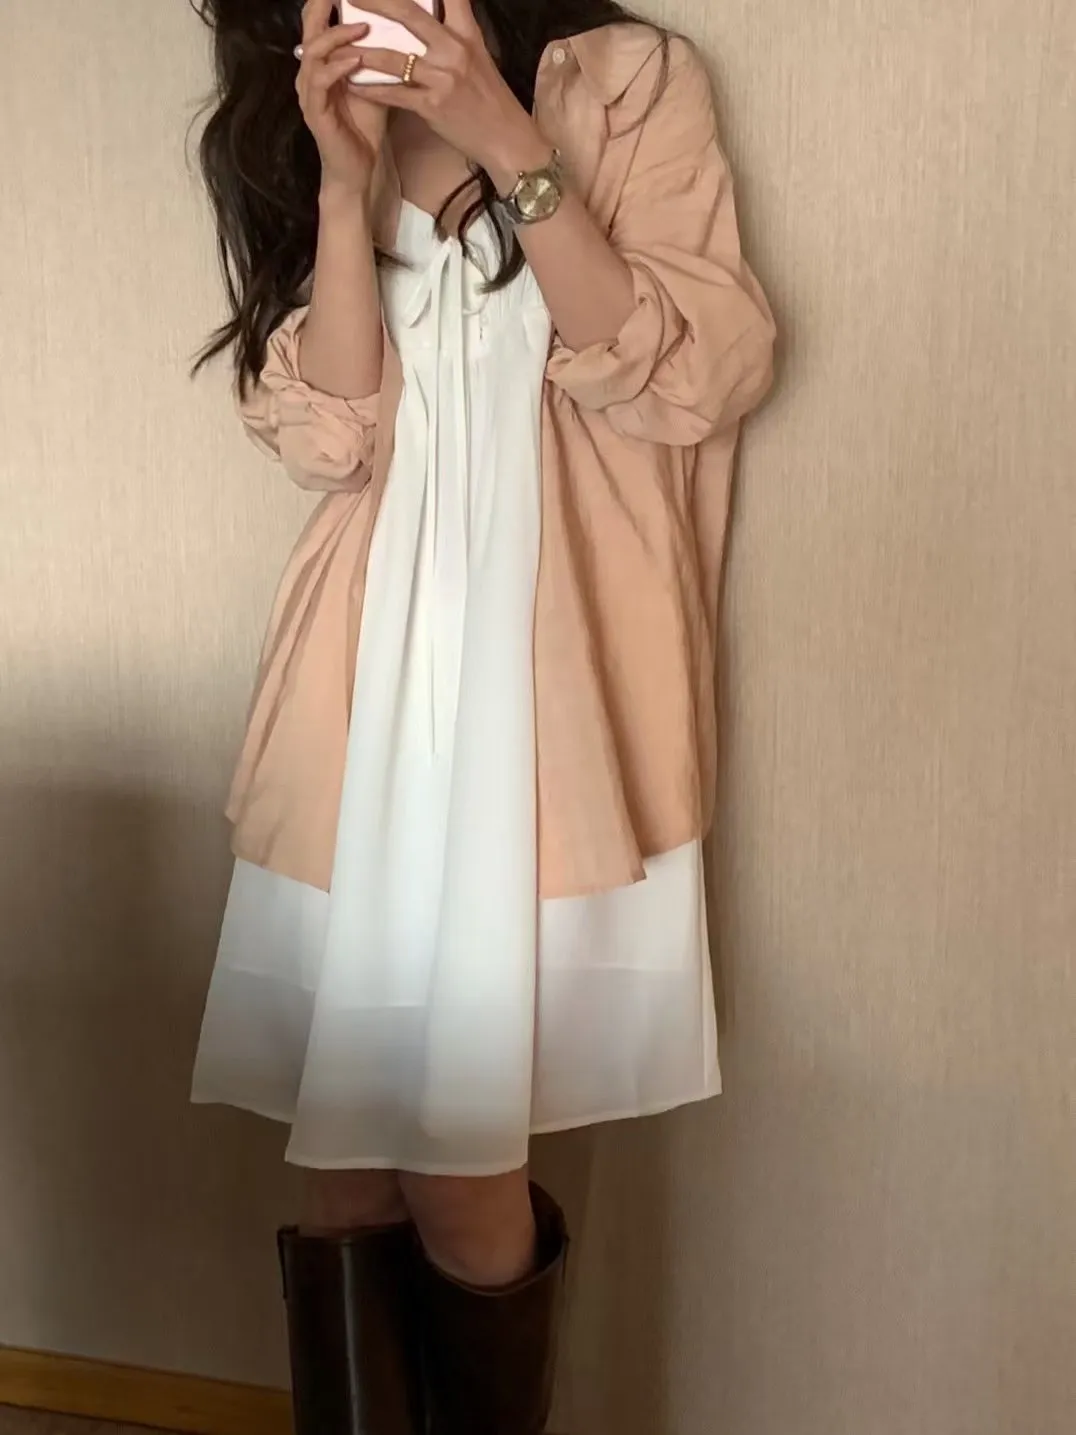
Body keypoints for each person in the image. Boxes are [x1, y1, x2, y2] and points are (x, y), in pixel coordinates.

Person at [188, 0, 774, 1429]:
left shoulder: (623, 83)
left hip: (540, 721)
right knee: (344, 1185)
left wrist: (502, 134)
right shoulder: (302, 120)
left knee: (458, 1176)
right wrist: (343, 184)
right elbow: (332, 437)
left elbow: (699, 374)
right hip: (365, 720)